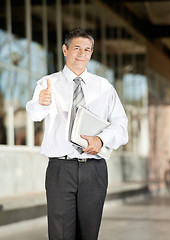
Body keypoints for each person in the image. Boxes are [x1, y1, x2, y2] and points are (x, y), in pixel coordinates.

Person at [26, 28, 128, 240]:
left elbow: (121, 127)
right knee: (60, 234)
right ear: (65, 50)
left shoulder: (104, 87)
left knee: (89, 235)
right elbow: (35, 114)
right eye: (77, 48)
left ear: (91, 53)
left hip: (94, 170)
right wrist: (41, 103)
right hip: (60, 170)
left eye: (88, 50)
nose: (82, 54)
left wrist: (101, 140)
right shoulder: (48, 83)